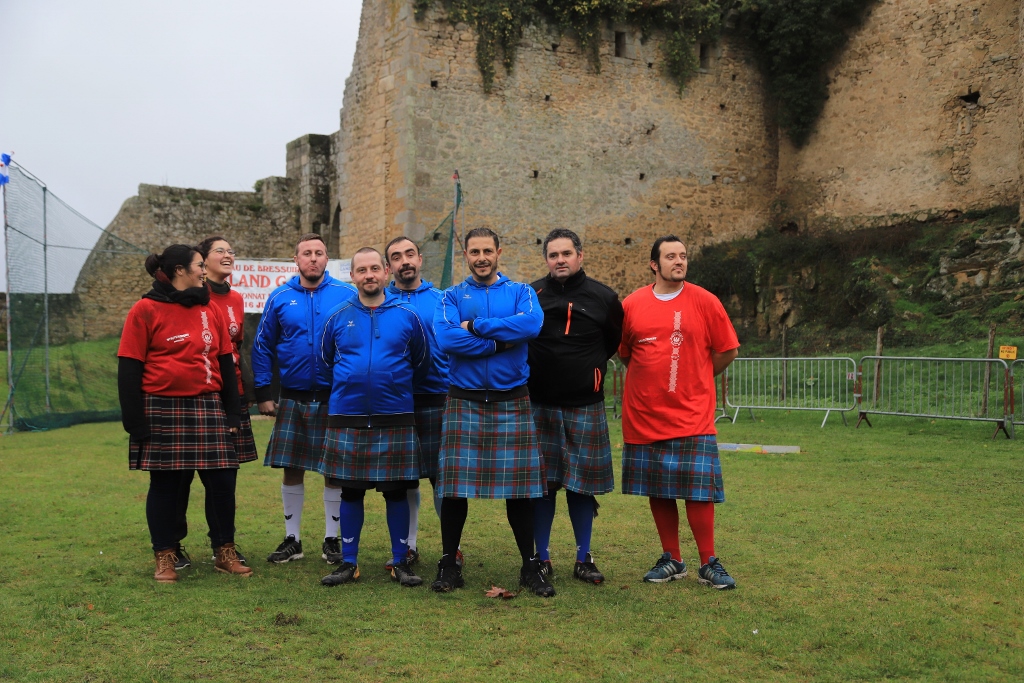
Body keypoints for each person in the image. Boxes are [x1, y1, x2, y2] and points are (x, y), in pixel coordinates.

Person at [117, 244, 251, 583]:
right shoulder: (144, 310)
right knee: (165, 485)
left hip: (208, 405)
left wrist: (233, 415)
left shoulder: (210, 309)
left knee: (222, 480)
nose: (203, 271)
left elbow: (224, 362)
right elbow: (130, 368)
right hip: (162, 405)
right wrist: (135, 421)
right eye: (198, 265)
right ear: (180, 270)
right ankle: (165, 554)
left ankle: (224, 551)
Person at [431, 227, 553, 597]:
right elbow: (447, 338)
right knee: (453, 490)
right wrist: (501, 343)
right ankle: (450, 563)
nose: (481, 257)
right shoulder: (450, 296)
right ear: (465, 255)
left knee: (520, 492)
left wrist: (480, 328)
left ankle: (529, 566)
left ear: (499, 252)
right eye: (474, 251)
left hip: (510, 398)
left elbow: (531, 325)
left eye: (487, 250)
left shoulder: (521, 293)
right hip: (464, 398)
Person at [618, 235, 740, 589]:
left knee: (698, 490)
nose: (679, 261)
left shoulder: (704, 301)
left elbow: (728, 350)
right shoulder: (633, 304)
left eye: (683, 256)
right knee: (660, 488)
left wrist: (699, 376)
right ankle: (672, 557)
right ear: (654, 264)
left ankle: (708, 562)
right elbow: (625, 353)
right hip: (645, 415)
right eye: (671, 256)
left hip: (692, 414)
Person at [318, 247, 429, 587]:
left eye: (374, 269)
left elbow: (421, 361)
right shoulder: (337, 317)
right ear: (352, 276)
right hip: (347, 417)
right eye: (361, 270)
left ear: (385, 272)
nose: (368, 275)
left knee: (396, 492)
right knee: (350, 492)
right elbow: (326, 364)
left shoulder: (409, 316)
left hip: (394, 416)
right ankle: (348, 563)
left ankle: (400, 562)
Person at [252, 233, 355, 565]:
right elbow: (263, 346)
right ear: (295, 260)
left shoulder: (346, 294)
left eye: (319, 253)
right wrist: (264, 393)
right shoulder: (280, 296)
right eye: (307, 253)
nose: (313, 258)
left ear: (327, 259)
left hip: (335, 396)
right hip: (292, 396)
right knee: (291, 468)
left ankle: (331, 539)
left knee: (333, 470)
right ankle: (292, 539)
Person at [528, 229, 623, 584]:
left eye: (566, 253)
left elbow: (613, 340)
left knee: (583, 486)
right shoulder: (530, 294)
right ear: (547, 260)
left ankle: (584, 557)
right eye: (553, 255)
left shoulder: (605, 298)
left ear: (580, 256)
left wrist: (590, 373)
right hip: (540, 403)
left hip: (585, 404)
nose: (560, 260)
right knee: (544, 485)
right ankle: (542, 556)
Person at [170, 236, 259, 571]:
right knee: (178, 477)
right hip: (191, 397)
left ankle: (223, 546)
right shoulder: (187, 297)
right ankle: (173, 545)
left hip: (228, 396)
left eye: (231, 250)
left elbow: (235, 350)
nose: (228, 254)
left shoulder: (236, 298)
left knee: (223, 479)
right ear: (201, 262)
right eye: (219, 250)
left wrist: (242, 397)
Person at [384, 235, 458, 569]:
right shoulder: (379, 299)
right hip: (395, 403)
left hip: (439, 398)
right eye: (397, 257)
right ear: (389, 267)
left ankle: (449, 548)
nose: (405, 261)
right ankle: (407, 547)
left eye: (409, 254)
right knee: (403, 478)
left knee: (442, 478)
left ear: (420, 259)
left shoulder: (443, 300)